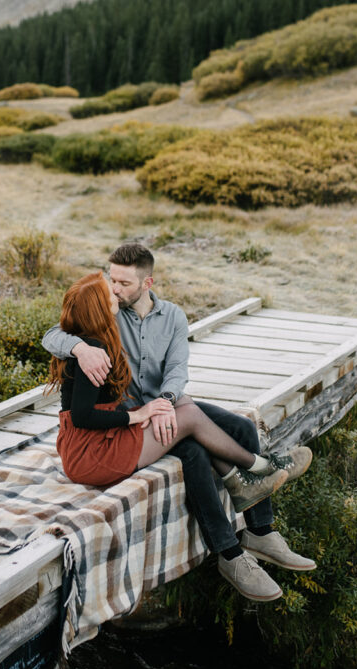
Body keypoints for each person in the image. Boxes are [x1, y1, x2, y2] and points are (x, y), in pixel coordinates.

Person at [44, 245, 315, 602]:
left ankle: (261, 532)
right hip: (128, 417)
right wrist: (79, 348)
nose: (116, 288)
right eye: (112, 280)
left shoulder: (172, 316)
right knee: (191, 448)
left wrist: (168, 402)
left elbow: (177, 370)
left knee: (242, 428)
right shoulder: (106, 316)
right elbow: (54, 333)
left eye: (124, 282)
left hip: (165, 403)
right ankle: (232, 549)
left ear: (148, 282)